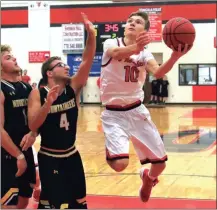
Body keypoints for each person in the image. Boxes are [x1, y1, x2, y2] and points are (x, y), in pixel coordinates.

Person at [99, 10, 190, 202]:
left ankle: (148, 179)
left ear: (144, 30)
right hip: (113, 113)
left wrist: (174, 56)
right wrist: (135, 48)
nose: (132, 23)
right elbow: (116, 54)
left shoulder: (145, 53)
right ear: (125, 27)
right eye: (129, 21)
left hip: (136, 110)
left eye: (138, 22)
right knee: (120, 164)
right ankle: (112, 149)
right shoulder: (111, 43)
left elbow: (157, 72)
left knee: (160, 165)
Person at [27, 13, 96, 209]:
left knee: (80, 203)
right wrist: (47, 104)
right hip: (50, 157)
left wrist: (91, 34)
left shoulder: (72, 87)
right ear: (49, 73)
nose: (66, 67)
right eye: (60, 65)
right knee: (53, 205)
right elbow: (33, 125)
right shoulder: (37, 94)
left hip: (72, 154)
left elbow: (87, 60)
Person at [1, 45, 37, 208]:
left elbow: (35, 121)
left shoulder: (26, 87)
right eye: (7, 58)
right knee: (8, 204)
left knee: (23, 201)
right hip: (7, 154)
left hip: (26, 149)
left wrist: (33, 132)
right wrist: (18, 156)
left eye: (13, 56)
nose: (14, 58)